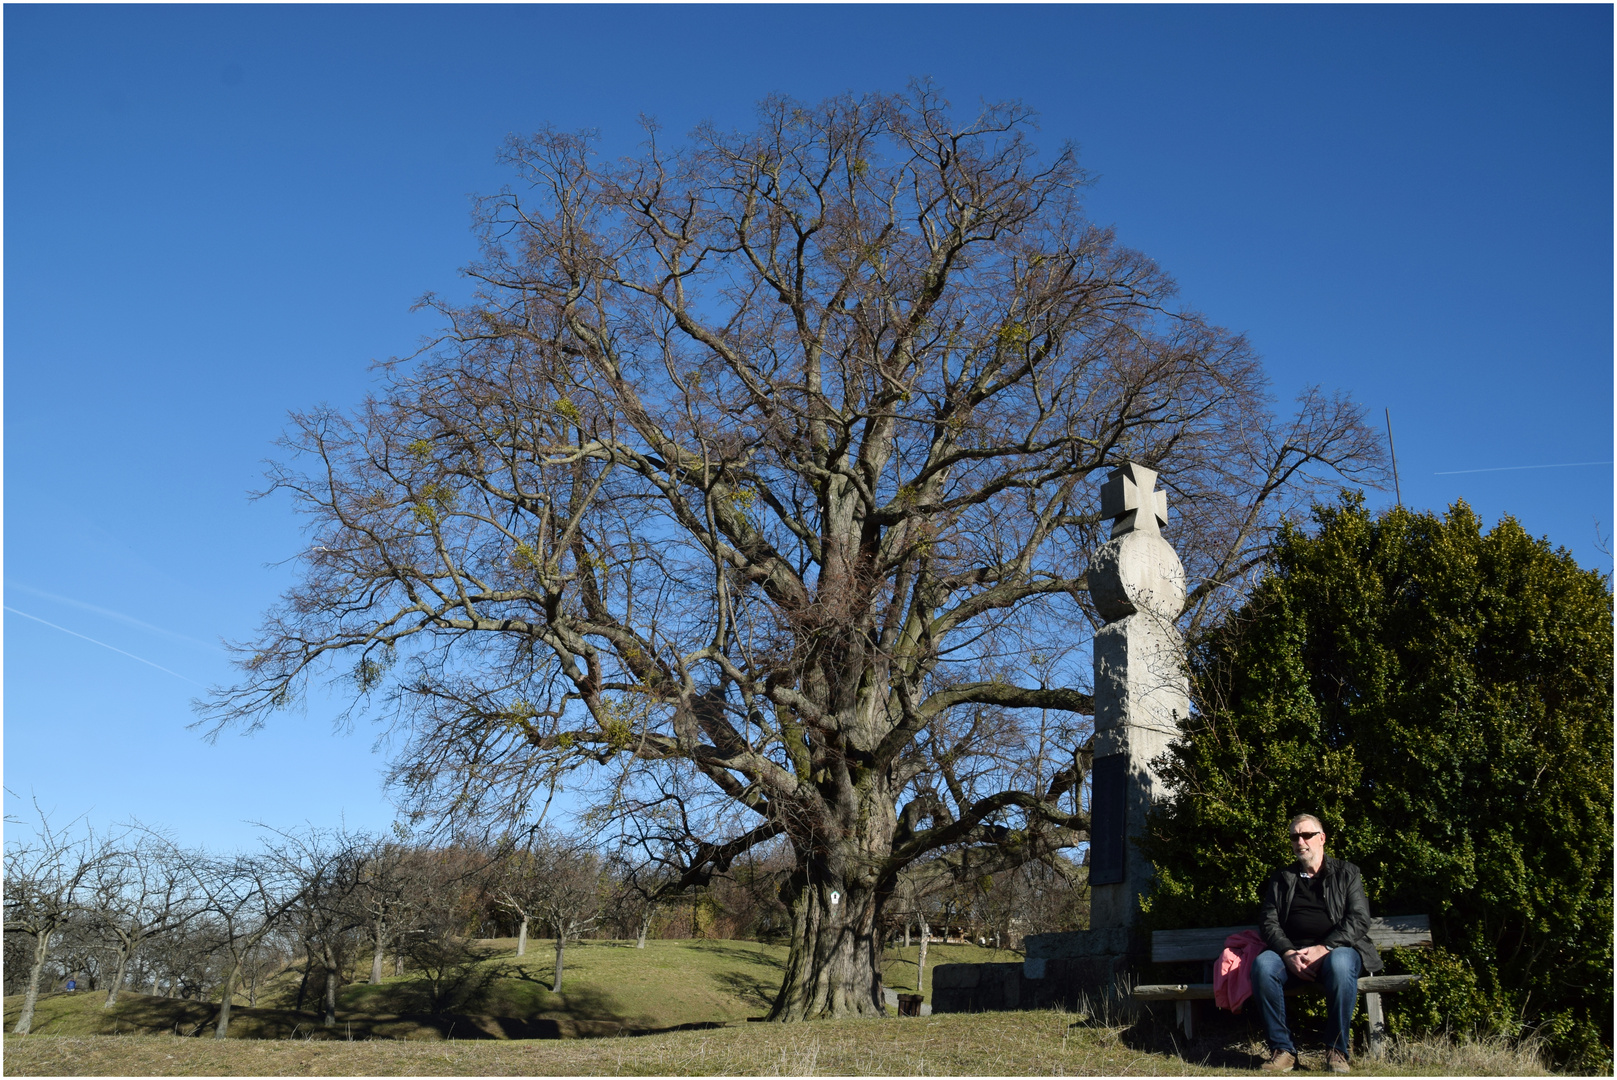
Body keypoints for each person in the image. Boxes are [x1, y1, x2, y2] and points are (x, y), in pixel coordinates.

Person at [1253, 813, 1382, 1074]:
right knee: (1263, 966)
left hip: (1336, 951)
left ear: (1321, 838)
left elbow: (1358, 919)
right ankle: (1284, 1051)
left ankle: (1336, 1051)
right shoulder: (1282, 878)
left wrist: (1325, 948)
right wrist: (1288, 952)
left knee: (1342, 963)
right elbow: (1268, 922)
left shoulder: (1347, 873)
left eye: (1306, 835)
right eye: (1294, 836)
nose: (1300, 841)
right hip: (1291, 955)